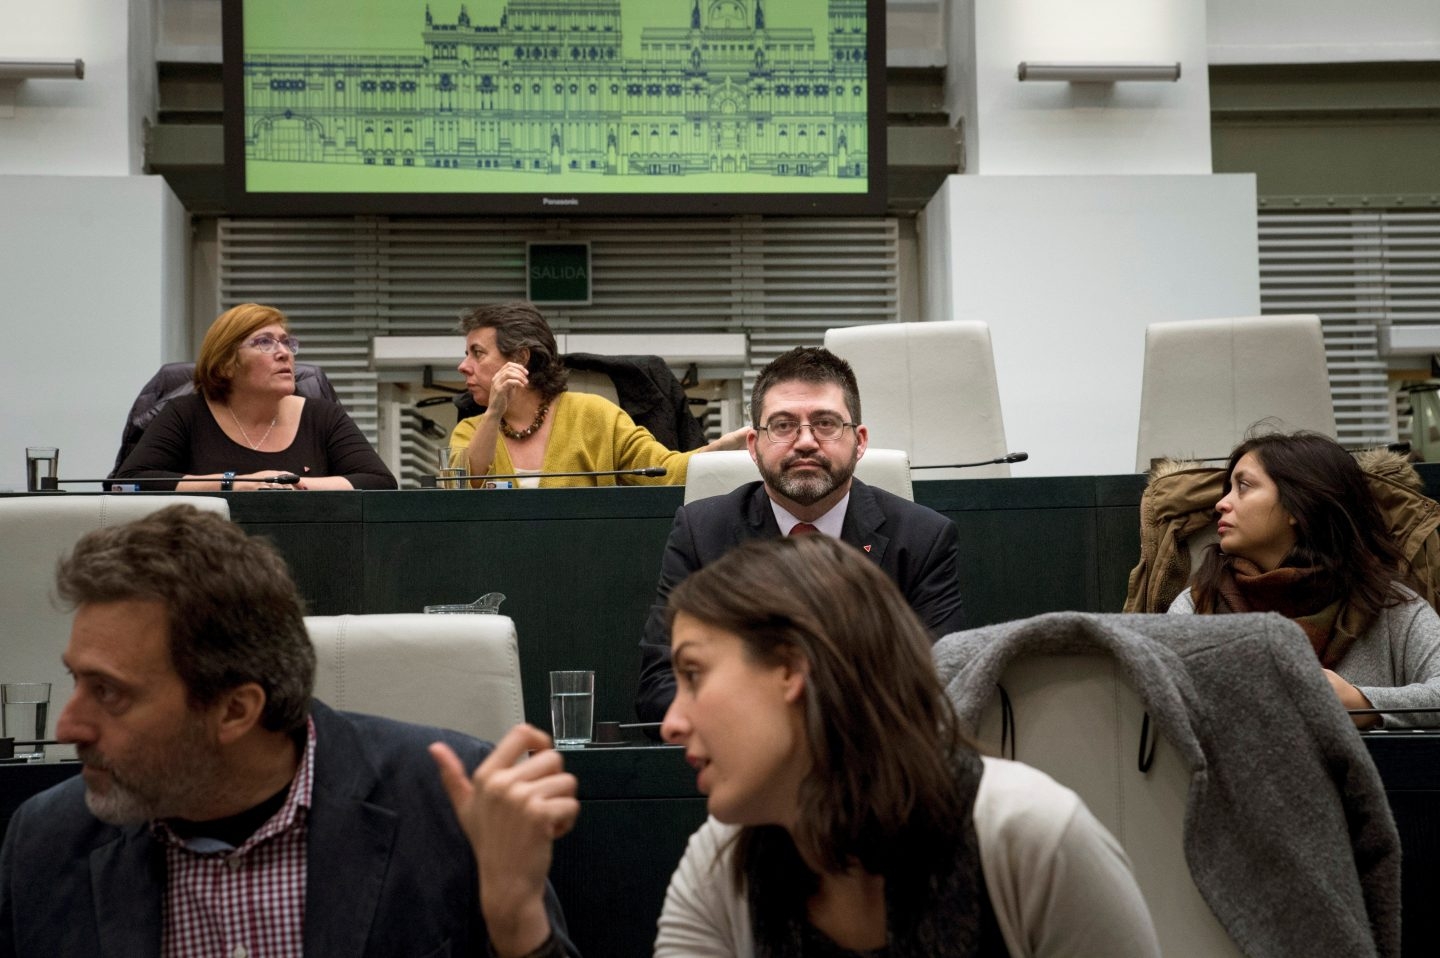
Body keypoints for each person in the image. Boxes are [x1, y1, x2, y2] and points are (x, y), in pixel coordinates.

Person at [0, 505, 577, 958]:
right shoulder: (47, 844)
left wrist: (516, 923)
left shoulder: (452, 808)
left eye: (108, 692)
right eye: (75, 681)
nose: (67, 725)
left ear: (234, 711)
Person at [653, 536, 1161, 956]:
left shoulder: (1030, 836)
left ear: (790, 668)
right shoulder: (720, 860)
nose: (670, 723)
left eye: (694, 674)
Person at [634, 346, 965, 723]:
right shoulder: (702, 533)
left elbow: (941, 683)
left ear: (859, 441)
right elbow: (661, 684)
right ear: (754, 447)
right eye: (783, 425)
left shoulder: (923, 537)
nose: (806, 441)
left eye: (825, 423)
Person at [1168, 431, 1440, 728]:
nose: (1222, 503)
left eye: (1243, 486)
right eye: (1228, 489)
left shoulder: (1390, 606)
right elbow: (1161, 705)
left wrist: (1361, 703)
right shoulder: (1197, 607)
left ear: (1297, 506)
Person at [447, 301, 746, 487]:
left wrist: (722, 449)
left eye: (477, 353)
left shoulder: (595, 415)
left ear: (521, 358)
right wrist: (494, 413)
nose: (463, 366)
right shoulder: (470, 430)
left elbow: (665, 472)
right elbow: (460, 488)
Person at [114, 303, 396, 490]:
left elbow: (379, 482)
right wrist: (233, 483)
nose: (284, 352)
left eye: (287, 342)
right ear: (226, 362)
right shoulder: (185, 414)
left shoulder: (322, 416)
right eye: (264, 342)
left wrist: (292, 484)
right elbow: (131, 481)